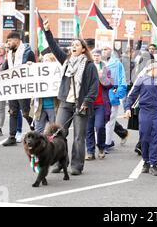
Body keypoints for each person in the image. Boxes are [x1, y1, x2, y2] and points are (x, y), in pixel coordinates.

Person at [43, 19, 98, 176]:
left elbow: (94, 87)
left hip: (81, 105)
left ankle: (77, 165)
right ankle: (62, 162)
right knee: (58, 133)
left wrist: (86, 102)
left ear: (83, 49)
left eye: (77, 45)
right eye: (72, 45)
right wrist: (47, 31)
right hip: (65, 103)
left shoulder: (89, 65)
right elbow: (53, 47)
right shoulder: (66, 61)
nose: (74, 47)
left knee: (78, 137)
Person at [124, 63, 157, 176]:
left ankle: (153, 165)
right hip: (144, 112)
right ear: (152, 69)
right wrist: (127, 108)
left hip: (156, 112)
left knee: (155, 137)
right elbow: (131, 95)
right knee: (144, 138)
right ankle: (146, 161)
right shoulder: (141, 80)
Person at [1, 32, 36, 146]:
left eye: (9, 41)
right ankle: (12, 136)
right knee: (12, 112)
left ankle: (36, 131)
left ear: (16, 40)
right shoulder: (10, 53)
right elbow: (6, 68)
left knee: (26, 112)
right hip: (12, 87)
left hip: (23, 87)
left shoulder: (28, 53)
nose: (8, 43)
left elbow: (34, 69)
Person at [85, 49, 112, 160]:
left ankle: (101, 147)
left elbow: (110, 84)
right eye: (94, 55)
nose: (96, 57)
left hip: (101, 103)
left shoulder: (106, 69)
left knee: (100, 126)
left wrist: (102, 77)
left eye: (98, 55)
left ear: (101, 57)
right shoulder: (87, 67)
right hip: (89, 103)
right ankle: (90, 151)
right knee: (88, 128)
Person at [102, 46, 128, 151]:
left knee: (110, 121)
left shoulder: (117, 64)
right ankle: (106, 141)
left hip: (112, 94)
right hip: (99, 97)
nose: (104, 51)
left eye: (106, 49)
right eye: (103, 49)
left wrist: (118, 93)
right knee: (100, 121)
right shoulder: (98, 64)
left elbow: (122, 79)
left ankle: (107, 143)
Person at [31, 53, 59, 134]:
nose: (45, 62)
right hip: (40, 106)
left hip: (53, 106)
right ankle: (39, 146)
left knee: (53, 131)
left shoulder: (57, 73)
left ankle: (53, 146)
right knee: (38, 130)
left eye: (48, 60)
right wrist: (30, 66)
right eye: (44, 60)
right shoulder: (38, 72)